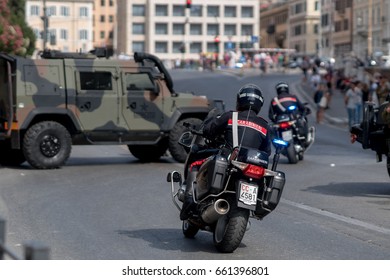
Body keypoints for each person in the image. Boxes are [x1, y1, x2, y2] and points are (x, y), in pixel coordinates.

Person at [180, 84, 272, 220]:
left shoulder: (230, 117)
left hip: (228, 160)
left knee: (195, 163)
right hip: (250, 168)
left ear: (239, 100)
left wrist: (205, 127)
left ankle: (189, 200)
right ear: (260, 103)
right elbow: (267, 151)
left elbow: (209, 130)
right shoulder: (265, 125)